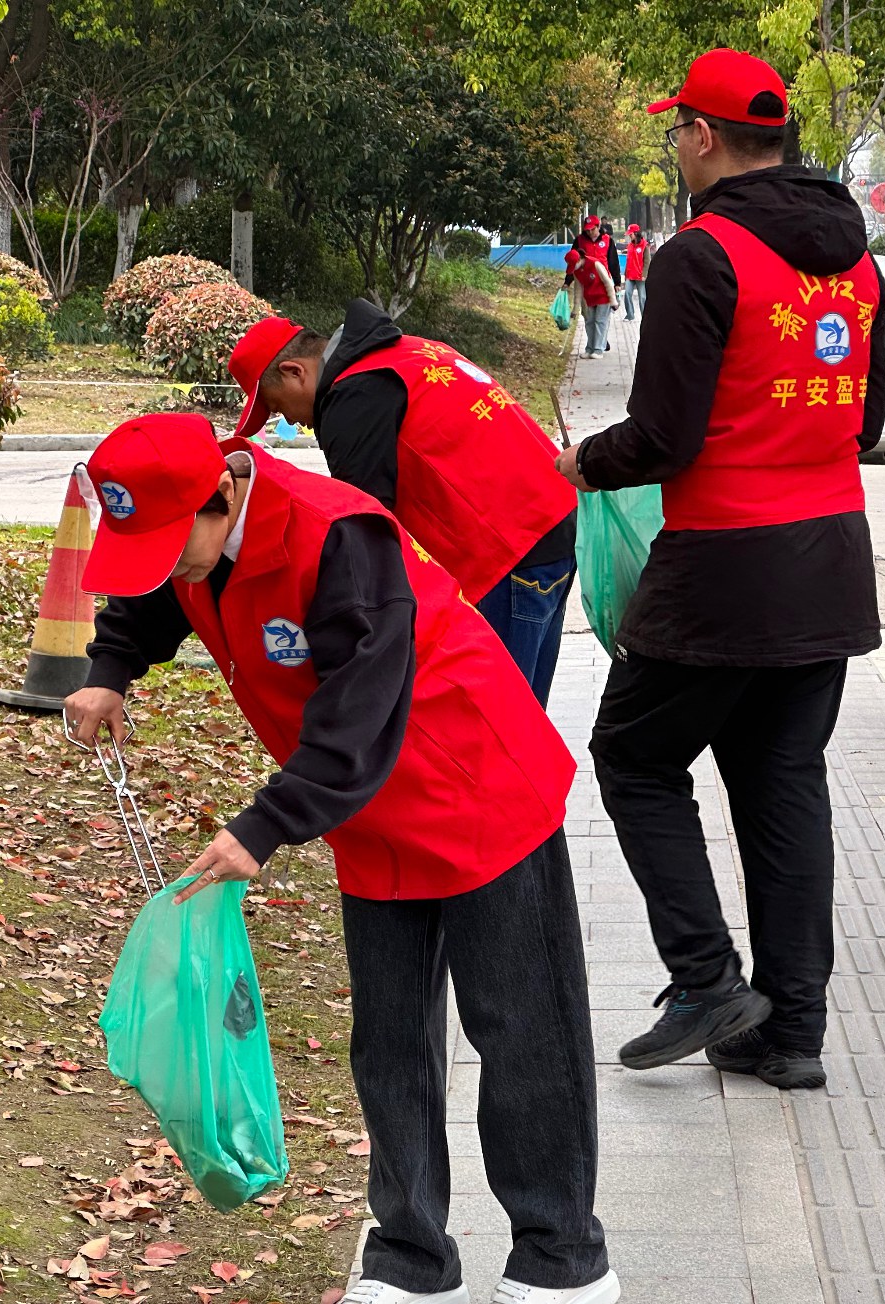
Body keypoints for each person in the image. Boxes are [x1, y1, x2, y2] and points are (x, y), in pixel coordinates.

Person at [64, 414, 618, 1304]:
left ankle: (561, 1258)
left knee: (523, 1031)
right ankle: (409, 1256)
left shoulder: (337, 536)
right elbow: (150, 597)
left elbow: (361, 709)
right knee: (389, 1041)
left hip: (473, 783)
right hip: (366, 816)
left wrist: (263, 825)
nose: (170, 570)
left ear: (224, 494)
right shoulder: (197, 545)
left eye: (175, 548)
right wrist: (109, 668)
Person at [555, 48, 885, 1092]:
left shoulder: (702, 255)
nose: (675, 147)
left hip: (722, 564)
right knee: (782, 782)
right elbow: (866, 423)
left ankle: (702, 977)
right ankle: (789, 1031)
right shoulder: (859, 262)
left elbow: (661, 436)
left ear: (701, 137)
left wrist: (579, 459)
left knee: (632, 754)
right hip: (830, 558)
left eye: (674, 132)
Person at [226, 302, 578, 706]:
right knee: (524, 717)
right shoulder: (408, 351)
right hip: (551, 526)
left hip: (507, 551)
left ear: (294, 372)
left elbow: (362, 521)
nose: (290, 419)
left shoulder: (354, 392)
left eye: (275, 405)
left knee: (502, 724)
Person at [564, 216, 619, 352]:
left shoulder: (607, 240)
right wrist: (568, 281)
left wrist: (617, 282)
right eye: (587, 230)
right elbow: (573, 262)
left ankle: (599, 344)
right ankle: (593, 343)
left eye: (592, 229)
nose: (590, 232)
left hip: (602, 283)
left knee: (601, 318)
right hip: (586, 284)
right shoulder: (579, 240)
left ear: (598, 227)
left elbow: (613, 261)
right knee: (588, 317)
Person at [565, 248, 614, 360]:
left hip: (603, 296)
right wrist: (575, 309)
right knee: (589, 321)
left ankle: (598, 349)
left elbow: (608, 282)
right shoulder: (577, 271)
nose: (574, 268)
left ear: (579, 259)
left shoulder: (595, 264)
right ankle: (590, 348)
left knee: (600, 322)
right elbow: (578, 290)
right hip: (590, 298)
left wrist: (613, 300)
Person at [622, 224, 649, 321]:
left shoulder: (645, 246)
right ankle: (630, 315)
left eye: (631, 234)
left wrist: (644, 274)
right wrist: (625, 274)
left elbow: (647, 261)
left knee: (642, 297)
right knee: (627, 294)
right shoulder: (629, 246)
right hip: (630, 275)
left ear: (636, 233)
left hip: (640, 276)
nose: (630, 236)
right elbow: (628, 260)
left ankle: (645, 317)